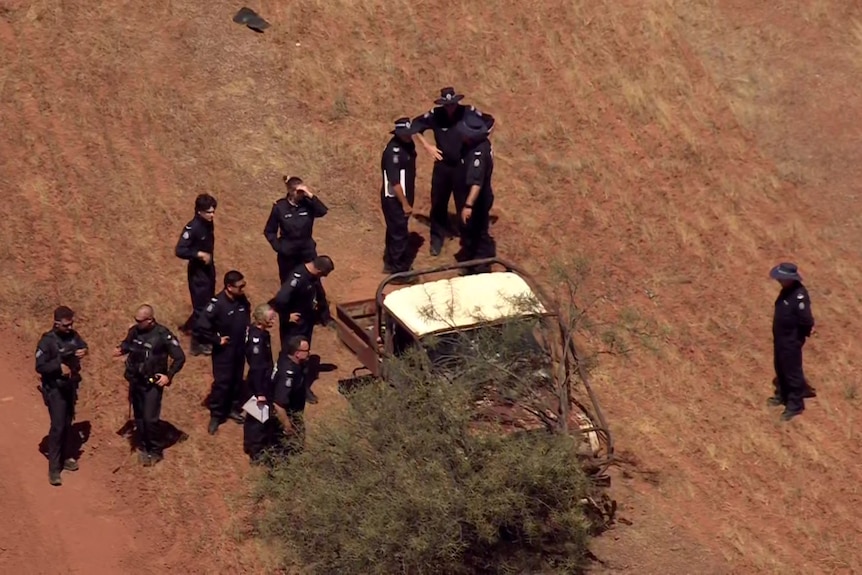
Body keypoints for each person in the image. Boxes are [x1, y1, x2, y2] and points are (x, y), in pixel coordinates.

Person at [411, 87, 495, 256]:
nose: (450, 108)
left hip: (462, 165)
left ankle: (467, 240)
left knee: (462, 203)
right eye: (447, 105)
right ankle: (437, 238)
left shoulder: (468, 112)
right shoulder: (435, 114)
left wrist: (480, 144)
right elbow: (414, 126)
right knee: (438, 202)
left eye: (452, 104)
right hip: (442, 166)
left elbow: (490, 121)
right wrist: (427, 146)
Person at [113, 305, 186, 466]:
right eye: (135, 320)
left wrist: (169, 375)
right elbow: (128, 344)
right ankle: (143, 445)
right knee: (139, 417)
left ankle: (155, 450)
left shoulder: (162, 335)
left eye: (139, 321)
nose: (136, 323)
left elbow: (180, 357)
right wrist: (121, 350)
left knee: (150, 418)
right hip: (136, 381)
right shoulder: (135, 331)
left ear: (150, 320)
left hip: (152, 384)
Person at [268, 256, 335, 404]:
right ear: (318, 269)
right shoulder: (297, 277)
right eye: (324, 274)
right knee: (289, 357)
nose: (323, 277)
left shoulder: (312, 277)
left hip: (305, 324)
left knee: (303, 358)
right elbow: (279, 300)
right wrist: (286, 316)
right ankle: (279, 390)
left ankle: (301, 389)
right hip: (294, 328)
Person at [35, 306, 88, 486]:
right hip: (55, 389)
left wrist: (83, 351)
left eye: (72, 324)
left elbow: (82, 345)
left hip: (70, 388)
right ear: (56, 324)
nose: (70, 328)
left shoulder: (73, 335)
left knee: (67, 424)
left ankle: (66, 457)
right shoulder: (47, 341)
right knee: (57, 427)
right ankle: (54, 468)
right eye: (66, 325)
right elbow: (40, 366)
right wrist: (58, 367)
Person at [194, 270, 252, 435]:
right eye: (240, 286)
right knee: (222, 383)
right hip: (224, 352)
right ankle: (217, 415)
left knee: (236, 381)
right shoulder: (217, 304)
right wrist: (217, 340)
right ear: (229, 287)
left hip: (239, 349)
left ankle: (232, 408)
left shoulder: (241, 300)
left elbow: (246, 313)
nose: (243, 289)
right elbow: (200, 327)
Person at [769, 262, 817, 421]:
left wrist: (798, 337)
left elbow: (806, 320)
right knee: (780, 366)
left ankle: (795, 404)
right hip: (781, 338)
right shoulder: (786, 292)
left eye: (782, 278)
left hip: (791, 340)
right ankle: (782, 395)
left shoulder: (799, 295)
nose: (780, 281)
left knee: (792, 371)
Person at [264, 176, 329, 285]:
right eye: (298, 191)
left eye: (301, 191)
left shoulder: (308, 204)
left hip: (307, 252)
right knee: (288, 283)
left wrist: (310, 195)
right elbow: (269, 231)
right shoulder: (280, 207)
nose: (300, 194)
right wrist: (279, 248)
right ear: (290, 191)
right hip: (288, 254)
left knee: (313, 282)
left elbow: (322, 211)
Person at [175, 193, 218, 356]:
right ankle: (197, 344)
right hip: (198, 272)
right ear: (199, 211)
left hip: (208, 269)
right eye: (209, 212)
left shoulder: (208, 223)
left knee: (207, 302)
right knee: (203, 308)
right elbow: (180, 250)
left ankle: (188, 327)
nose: (212, 215)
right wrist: (199, 254)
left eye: (213, 211)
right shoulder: (192, 228)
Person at [456, 112, 497, 275]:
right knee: (469, 232)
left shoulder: (478, 153)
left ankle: (481, 268)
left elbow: (476, 183)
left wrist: (468, 205)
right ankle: (471, 262)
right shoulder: (477, 145)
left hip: (477, 201)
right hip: (471, 198)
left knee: (479, 233)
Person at [380, 117, 419, 281]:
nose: (410, 136)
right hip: (395, 199)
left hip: (403, 195)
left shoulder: (408, 145)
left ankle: (390, 262)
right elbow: (394, 182)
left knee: (395, 230)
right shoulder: (393, 152)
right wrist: (405, 204)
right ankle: (398, 272)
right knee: (399, 233)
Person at [242, 303, 280, 463]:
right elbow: (257, 367)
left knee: (260, 416)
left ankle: (256, 444)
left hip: (263, 380)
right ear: (262, 319)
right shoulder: (256, 339)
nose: (274, 320)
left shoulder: (261, 333)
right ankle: (255, 450)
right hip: (259, 384)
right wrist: (260, 393)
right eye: (271, 318)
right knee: (257, 418)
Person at [272, 335, 311, 452]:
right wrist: (287, 425)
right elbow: (279, 404)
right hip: (287, 417)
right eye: (306, 351)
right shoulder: (288, 374)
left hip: (294, 413)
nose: (309, 353)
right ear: (297, 353)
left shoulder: (288, 359)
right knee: (288, 449)